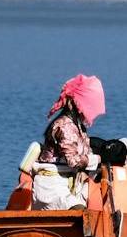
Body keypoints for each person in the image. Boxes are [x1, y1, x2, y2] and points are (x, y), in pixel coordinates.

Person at [33, 74, 105, 210]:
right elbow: (74, 161)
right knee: (82, 213)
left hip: (66, 184)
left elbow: (85, 153)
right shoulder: (64, 126)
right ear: (73, 103)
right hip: (52, 188)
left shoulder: (77, 126)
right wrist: (99, 158)